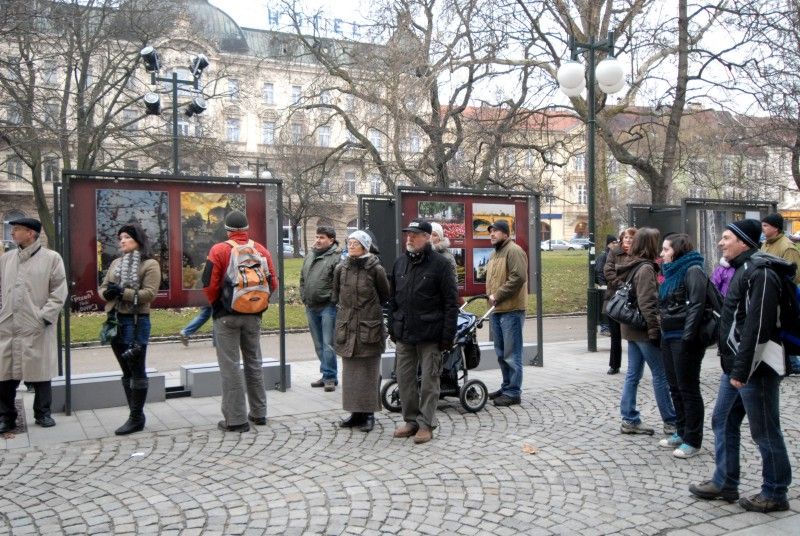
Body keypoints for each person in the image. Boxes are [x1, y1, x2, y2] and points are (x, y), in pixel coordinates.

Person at [690, 219, 792, 513]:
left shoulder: (760, 273)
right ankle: (725, 481)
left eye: (726, 238)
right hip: (736, 367)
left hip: (755, 368)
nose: (721, 243)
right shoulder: (743, 270)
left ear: (743, 242)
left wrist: (741, 370)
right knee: (722, 420)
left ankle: (775, 492)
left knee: (765, 430)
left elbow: (758, 327)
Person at [202, 210, 278, 433]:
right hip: (253, 315)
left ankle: (236, 420)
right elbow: (273, 282)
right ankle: (259, 413)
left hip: (226, 316)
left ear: (227, 230)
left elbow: (209, 284)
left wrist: (218, 305)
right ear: (246, 230)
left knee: (231, 365)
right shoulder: (260, 249)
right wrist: (256, 304)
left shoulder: (219, 250)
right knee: (254, 362)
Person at [387, 219, 458, 444]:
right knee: (404, 378)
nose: (409, 238)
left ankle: (426, 424)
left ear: (427, 237)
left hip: (431, 333)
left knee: (429, 381)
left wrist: (447, 336)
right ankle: (411, 420)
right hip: (405, 332)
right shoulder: (400, 263)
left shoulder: (441, 265)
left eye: (415, 234)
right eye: (408, 233)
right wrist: (393, 327)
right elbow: (393, 300)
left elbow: (450, 303)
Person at [0, 218, 67, 433]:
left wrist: (43, 317)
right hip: (8, 325)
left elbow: (59, 292)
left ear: (31, 233)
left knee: (40, 372)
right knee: (5, 374)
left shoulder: (51, 258)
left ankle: (43, 413)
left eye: (16, 229)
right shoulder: (7, 259)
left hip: (35, 325)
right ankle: (6, 416)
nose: (12, 233)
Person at [98, 222, 161, 435]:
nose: (122, 241)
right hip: (116, 320)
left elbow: (149, 294)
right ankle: (137, 415)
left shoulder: (149, 264)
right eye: (120, 237)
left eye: (127, 237)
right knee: (126, 369)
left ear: (138, 240)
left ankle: (135, 417)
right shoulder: (116, 263)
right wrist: (106, 293)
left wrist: (122, 292)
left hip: (136, 321)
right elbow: (103, 286)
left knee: (137, 368)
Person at [616, 227, 677, 436]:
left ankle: (629, 418)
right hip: (643, 329)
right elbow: (648, 303)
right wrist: (654, 331)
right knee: (660, 375)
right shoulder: (646, 269)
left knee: (633, 374)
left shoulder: (631, 264)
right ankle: (671, 421)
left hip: (631, 328)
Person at [332, 230, 390, 432]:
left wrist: (368, 311)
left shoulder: (376, 269)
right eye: (349, 242)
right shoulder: (342, 268)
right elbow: (336, 294)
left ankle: (369, 414)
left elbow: (384, 295)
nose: (351, 245)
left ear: (365, 246)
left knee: (369, 372)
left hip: (368, 327)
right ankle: (355, 413)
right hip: (348, 326)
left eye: (355, 243)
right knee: (350, 373)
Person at [658, 234, 708, 458]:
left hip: (685, 338)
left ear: (677, 251)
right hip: (669, 335)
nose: (662, 254)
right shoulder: (669, 273)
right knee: (674, 387)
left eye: (666, 250)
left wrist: (688, 337)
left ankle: (693, 439)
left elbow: (697, 305)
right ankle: (681, 430)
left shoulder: (692, 270)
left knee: (688, 388)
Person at [485, 219, 529, 407]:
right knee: (502, 353)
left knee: (512, 353)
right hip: (497, 310)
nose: (492, 234)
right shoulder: (495, 254)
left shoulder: (514, 250)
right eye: (490, 232)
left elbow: (518, 277)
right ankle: (506, 386)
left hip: (511, 309)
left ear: (506, 233)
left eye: (496, 231)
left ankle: (513, 392)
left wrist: (498, 295)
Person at [301, 225, 342, 392]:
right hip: (311, 305)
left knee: (328, 344)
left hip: (328, 307)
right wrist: (303, 295)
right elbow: (302, 278)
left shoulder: (337, 257)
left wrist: (332, 299)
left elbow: (339, 284)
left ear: (331, 240)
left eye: (322, 238)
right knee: (318, 344)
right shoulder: (310, 255)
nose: (317, 240)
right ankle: (325, 374)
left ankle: (331, 377)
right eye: (317, 237)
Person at [603, 228, 637, 374]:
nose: (628, 240)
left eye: (631, 237)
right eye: (626, 237)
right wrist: (620, 284)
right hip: (615, 296)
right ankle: (614, 364)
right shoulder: (614, 252)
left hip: (632, 298)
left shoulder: (638, 253)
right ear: (622, 238)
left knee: (633, 334)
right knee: (615, 334)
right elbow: (608, 271)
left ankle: (634, 366)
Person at [761, 213, 800, 284]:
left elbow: (794, 277)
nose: (762, 228)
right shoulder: (765, 244)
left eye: (765, 225)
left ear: (776, 228)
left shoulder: (788, 247)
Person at [596, 234, 618, 336]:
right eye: (614, 242)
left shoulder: (612, 254)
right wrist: (602, 285)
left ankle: (607, 327)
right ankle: (605, 328)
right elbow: (599, 271)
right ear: (609, 244)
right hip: (605, 286)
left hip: (610, 285)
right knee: (605, 307)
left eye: (617, 242)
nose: (616, 244)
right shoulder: (604, 255)